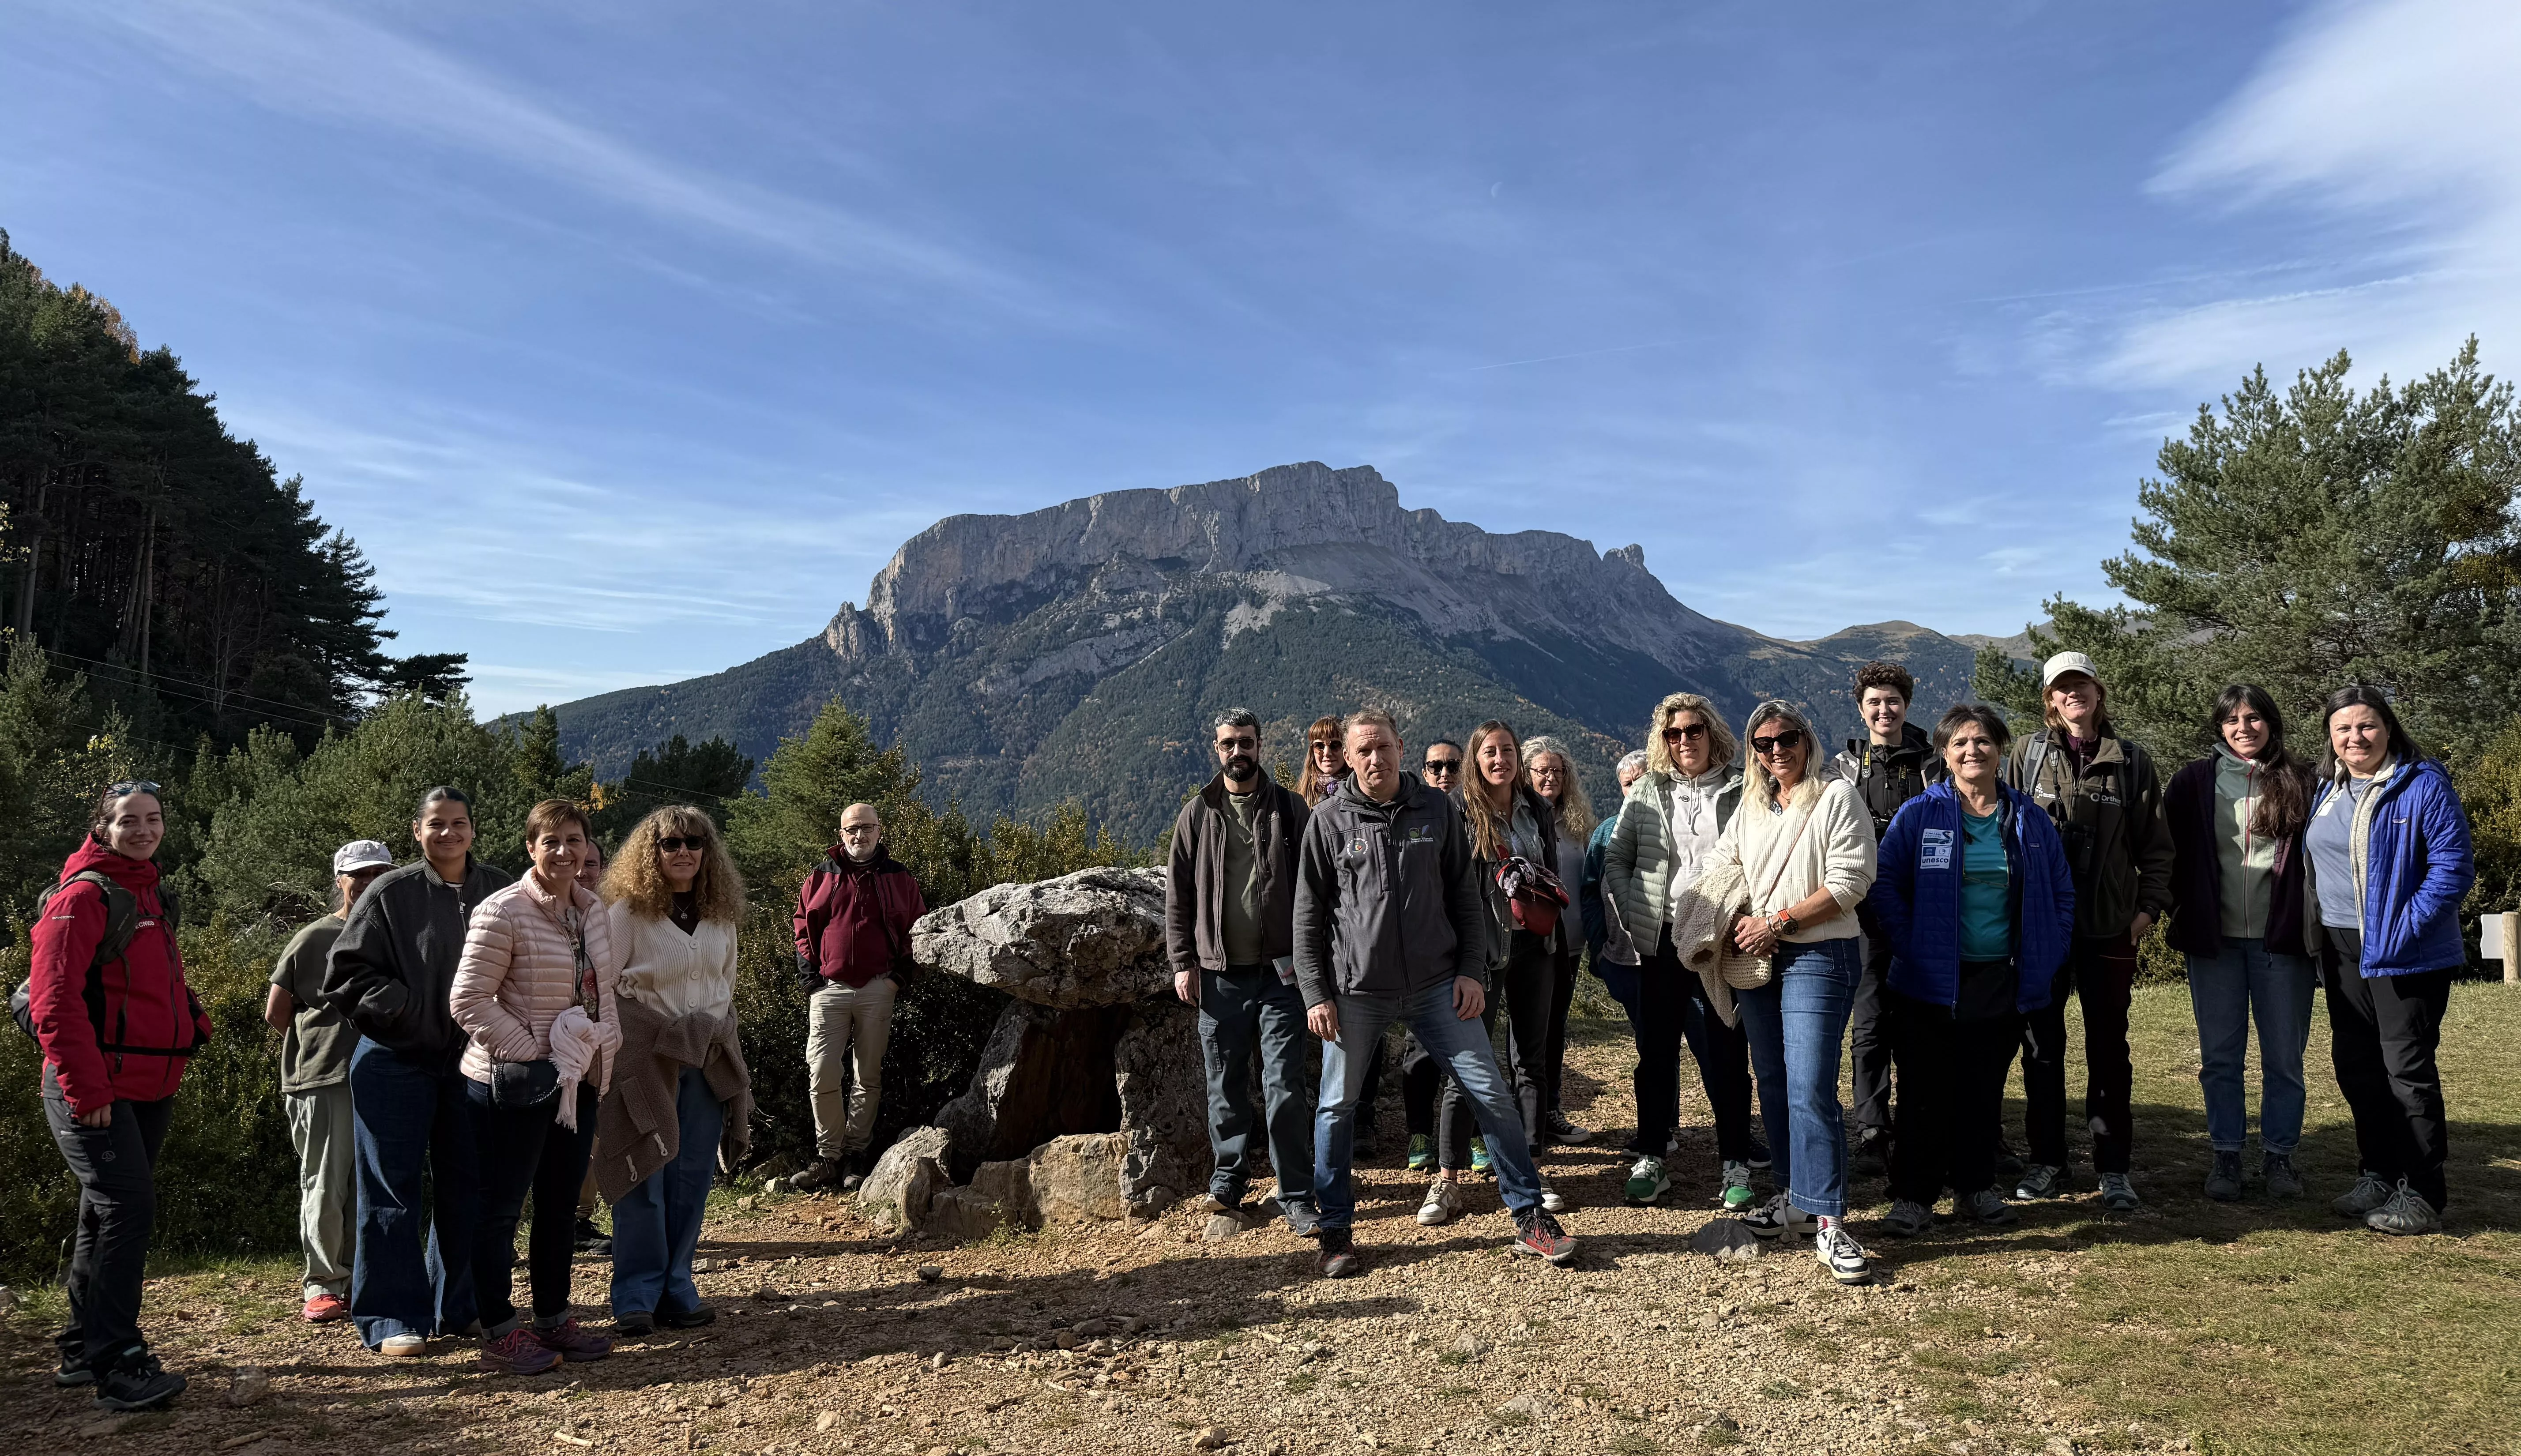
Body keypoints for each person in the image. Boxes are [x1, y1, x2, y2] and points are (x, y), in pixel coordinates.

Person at [1295, 709, 1577, 1276]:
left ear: (1401, 747)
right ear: (1348, 758)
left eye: (1384, 747)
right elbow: (1307, 916)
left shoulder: (1438, 809)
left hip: (1436, 986)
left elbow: (1465, 897)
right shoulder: (1327, 821)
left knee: (1490, 1092)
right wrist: (1315, 993)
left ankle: (1530, 1217)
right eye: (1364, 751)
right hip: (1356, 991)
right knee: (1335, 1108)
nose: (1376, 759)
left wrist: (1472, 970)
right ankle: (1335, 1231)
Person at [28, 781, 211, 1411]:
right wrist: (86, 1086)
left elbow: (154, 978)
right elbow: (53, 1001)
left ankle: (83, 1346)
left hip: (148, 1083)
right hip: (95, 1086)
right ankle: (119, 1362)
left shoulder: (149, 890)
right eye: (129, 820)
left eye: (154, 818)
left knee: (102, 1212)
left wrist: (191, 1019)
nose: (144, 829)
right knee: (126, 1210)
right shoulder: (84, 895)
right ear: (102, 826)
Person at [1869, 707, 2075, 1238]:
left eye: (1982, 741)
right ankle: (1913, 1196)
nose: (1972, 751)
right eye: (1960, 742)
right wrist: (1910, 944)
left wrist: (2048, 953)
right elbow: (1885, 884)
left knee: (1984, 1091)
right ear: (1945, 752)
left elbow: (2061, 892)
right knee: (1922, 1092)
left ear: (2000, 749)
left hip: (2002, 977)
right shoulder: (1920, 814)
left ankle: (1975, 1187)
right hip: (1927, 980)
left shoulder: (2029, 818)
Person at [323, 786, 512, 1357]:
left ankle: (458, 1307)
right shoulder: (390, 891)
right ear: (417, 830)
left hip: (472, 1063)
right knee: (391, 1192)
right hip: (393, 1060)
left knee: (470, 1189)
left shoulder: (499, 889)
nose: (448, 833)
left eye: (459, 823)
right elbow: (346, 974)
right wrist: (405, 1008)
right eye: (437, 824)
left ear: (473, 828)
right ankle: (390, 1317)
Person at [1698, 699, 1878, 1285]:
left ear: (1808, 738)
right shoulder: (1750, 806)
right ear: (1752, 751)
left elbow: (1851, 882)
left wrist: (1777, 922)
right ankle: (1793, 1199)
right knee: (1773, 1080)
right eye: (1764, 742)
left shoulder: (1835, 797)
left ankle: (1828, 1221)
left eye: (1788, 738)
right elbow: (1724, 866)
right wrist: (1727, 920)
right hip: (1758, 955)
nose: (1777, 750)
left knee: (1809, 1087)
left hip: (1821, 952)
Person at [451, 799, 620, 1376]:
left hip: (578, 1083)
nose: (564, 851)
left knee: (557, 1205)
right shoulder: (503, 910)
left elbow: (603, 994)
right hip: (512, 1086)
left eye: (575, 839)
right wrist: (536, 1055)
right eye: (551, 840)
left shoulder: (594, 910)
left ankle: (552, 1316)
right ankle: (499, 1327)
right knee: (500, 1209)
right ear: (531, 847)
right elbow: (468, 999)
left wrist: (602, 1062)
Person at [2001, 652, 2174, 1211]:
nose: (2073, 694)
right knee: (2041, 1048)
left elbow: (2157, 847)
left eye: (2082, 685)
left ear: (2099, 692)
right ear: (2050, 699)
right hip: (2040, 926)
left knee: (2108, 1049)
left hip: (2108, 928)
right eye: (2062, 687)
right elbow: (1995, 828)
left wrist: (2145, 913)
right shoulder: (2026, 757)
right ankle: (2047, 1160)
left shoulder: (2132, 762)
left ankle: (2114, 1167)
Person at [2305, 686, 2472, 1235]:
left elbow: (2452, 868)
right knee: (2358, 1065)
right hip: (2341, 948)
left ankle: (2423, 1191)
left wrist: (2402, 929)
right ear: (2331, 737)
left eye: (2367, 725)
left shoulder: (2423, 783)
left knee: (2407, 1072)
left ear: (2389, 728)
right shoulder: (2328, 788)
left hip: (2407, 951)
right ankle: (2377, 1171)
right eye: (2343, 728)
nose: (2356, 737)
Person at [1603, 693, 1762, 1213]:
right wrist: (1635, 915)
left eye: (1693, 730)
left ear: (1713, 732)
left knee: (1726, 1051)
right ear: (1662, 741)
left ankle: (1735, 1159)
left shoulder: (1743, 788)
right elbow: (1618, 857)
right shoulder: (1649, 789)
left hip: (1720, 941)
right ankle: (1651, 1153)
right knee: (1656, 1052)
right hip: (1663, 939)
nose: (1684, 741)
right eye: (1673, 734)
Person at [598, 806, 752, 1334]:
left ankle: (677, 1286)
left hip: (705, 1058)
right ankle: (636, 1293)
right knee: (645, 1169)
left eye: (694, 842)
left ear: (708, 852)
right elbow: (602, 987)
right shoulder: (626, 914)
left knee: (691, 1175)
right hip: (644, 1060)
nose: (683, 851)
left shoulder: (720, 916)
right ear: (652, 851)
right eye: (670, 843)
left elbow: (725, 985)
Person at [1166, 708, 1318, 1233]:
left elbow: (1316, 886)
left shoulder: (1291, 809)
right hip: (1220, 974)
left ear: (1260, 744)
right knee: (1224, 1081)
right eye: (1229, 743)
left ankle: (1296, 1190)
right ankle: (1228, 1180)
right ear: (1216, 748)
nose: (1238, 752)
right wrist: (1183, 961)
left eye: (1246, 742)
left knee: (1285, 1083)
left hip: (1281, 975)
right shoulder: (1197, 814)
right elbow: (1177, 896)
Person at [2164, 685, 2318, 1201]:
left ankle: (2280, 1158)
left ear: (2271, 723)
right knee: (2221, 1057)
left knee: (2284, 1059)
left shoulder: (2301, 780)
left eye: (2253, 718)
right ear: (2220, 727)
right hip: (2215, 943)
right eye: (2232, 719)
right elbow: (2165, 854)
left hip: (2283, 944)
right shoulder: (2191, 782)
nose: (2243, 727)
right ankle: (2226, 1155)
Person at [1422, 719, 1569, 1225]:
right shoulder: (1458, 810)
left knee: (1532, 1059)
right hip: (1480, 954)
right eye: (1491, 751)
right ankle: (1447, 1178)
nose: (1500, 759)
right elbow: (1447, 884)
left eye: (1508, 749)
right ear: (1475, 759)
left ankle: (1531, 1164)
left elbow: (1548, 870)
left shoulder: (1537, 809)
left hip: (1536, 946)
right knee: (1466, 1064)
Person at [263, 839, 396, 1324]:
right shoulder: (314, 937)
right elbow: (278, 1012)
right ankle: (323, 1284)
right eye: (357, 874)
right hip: (324, 1076)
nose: (367, 882)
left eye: (378, 872)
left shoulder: (395, 935)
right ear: (339, 878)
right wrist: (316, 1048)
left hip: (384, 1074)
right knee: (326, 1183)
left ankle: (361, 1279)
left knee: (371, 1184)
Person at [1829, 661, 1945, 1177]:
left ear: (1907, 704)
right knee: (1871, 1019)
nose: (1884, 709)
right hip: (1864, 912)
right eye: (1874, 702)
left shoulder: (1934, 763)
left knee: (1927, 1018)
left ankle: (1929, 1118)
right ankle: (1873, 1124)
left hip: (1924, 910)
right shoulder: (1843, 768)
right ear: (1861, 708)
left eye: (1893, 700)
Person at [789, 803, 926, 1192]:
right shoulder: (822, 875)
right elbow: (802, 925)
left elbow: (918, 928)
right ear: (841, 834)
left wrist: (898, 979)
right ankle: (828, 1156)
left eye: (867, 828)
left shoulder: (899, 878)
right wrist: (811, 979)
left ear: (880, 832)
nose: (859, 835)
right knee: (822, 1071)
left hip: (878, 988)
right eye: (852, 829)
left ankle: (856, 1156)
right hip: (829, 989)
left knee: (868, 1076)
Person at [1523, 736, 1598, 1148]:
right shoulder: (1522, 822)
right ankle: (1527, 1115)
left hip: (1570, 945)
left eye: (1557, 770)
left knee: (1554, 1029)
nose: (1550, 777)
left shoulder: (1576, 824)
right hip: (1530, 944)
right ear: (1526, 775)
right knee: (1528, 1033)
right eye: (1542, 770)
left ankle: (1548, 1111)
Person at [573, 838, 613, 1256]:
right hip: (549, 1042)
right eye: (579, 862)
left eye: (592, 863)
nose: (585, 871)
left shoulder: (607, 915)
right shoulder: (530, 908)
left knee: (591, 1134)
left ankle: (577, 1221)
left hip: (600, 1040)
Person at [1296, 715, 1347, 806]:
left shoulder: (1362, 793)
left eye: (1335, 745)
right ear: (1312, 751)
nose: (1327, 753)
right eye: (1320, 746)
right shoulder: (1298, 800)